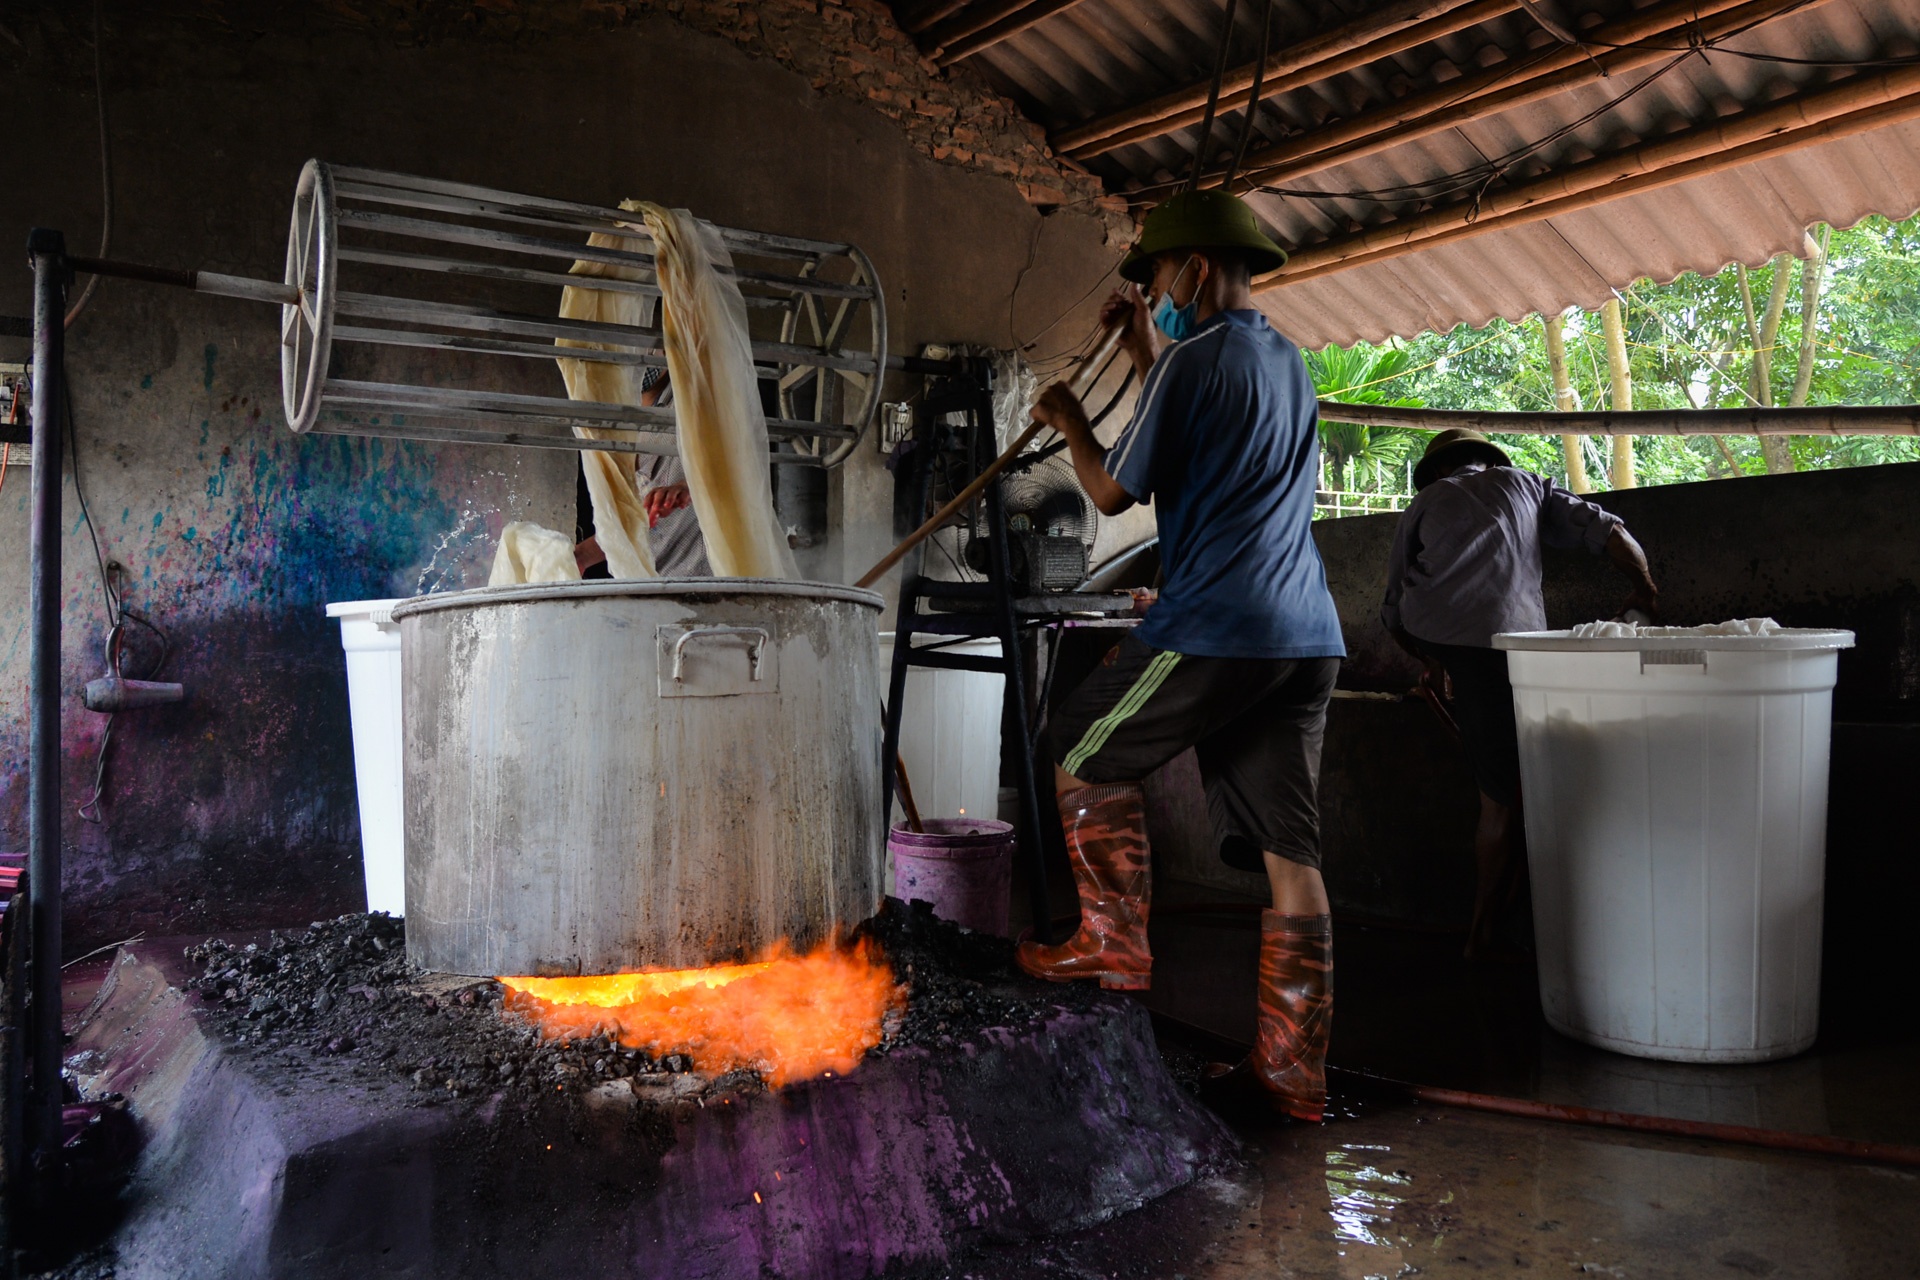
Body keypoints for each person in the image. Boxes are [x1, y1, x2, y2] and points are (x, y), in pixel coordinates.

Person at [1021, 189, 1346, 1123]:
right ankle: (1293, 1071)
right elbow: (1198, 403)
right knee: (1294, 853)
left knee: (1078, 744)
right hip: (1305, 633)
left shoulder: (1192, 360)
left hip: (1220, 625)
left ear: (1194, 270)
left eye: (1158, 275)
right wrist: (1138, 351)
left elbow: (1115, 492)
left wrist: (1068, 419)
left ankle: (1113, 944)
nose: (1154, 289)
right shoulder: (1289, 365)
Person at [1381, 428, 1659, 959]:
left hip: (1447, 641)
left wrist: (1428, 660)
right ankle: (1487, 933)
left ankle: (1487, 929)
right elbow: (1612, 533)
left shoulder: (1427, 500)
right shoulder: (1527, 484)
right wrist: (1644, 588)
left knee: (1502, 791)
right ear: (1487, 462)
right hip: (1515, 645)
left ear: (1438, 470)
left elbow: (1394, 603)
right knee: (1508, 795)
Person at [574, 368, 713, 577]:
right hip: (652, 587)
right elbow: (636, 523)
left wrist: (687, 485)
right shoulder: (616, 420)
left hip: (708, 583)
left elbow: (733, 460)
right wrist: (581, 556)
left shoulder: (695, 397)